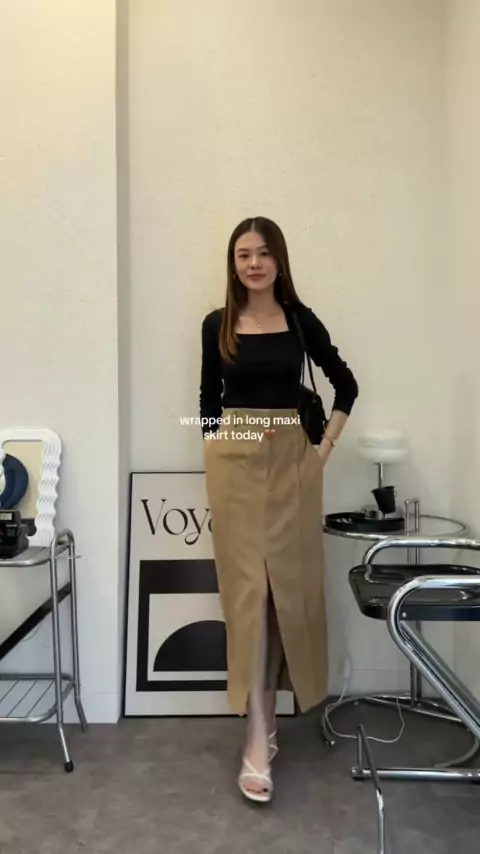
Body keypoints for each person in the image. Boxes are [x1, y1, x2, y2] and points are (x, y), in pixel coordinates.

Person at [199, 216, 358, 803]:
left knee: (280, 592)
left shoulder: (299, 320)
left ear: (279, 260)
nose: (253, 263)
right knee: (249, 595)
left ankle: (265, 721)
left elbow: (346, 384)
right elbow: (208, 400)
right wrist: (216, 446)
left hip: (292, 463)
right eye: (243, 254)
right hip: (235, 468)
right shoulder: (217, 324)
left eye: (263, 253)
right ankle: (257, 732)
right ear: (233, 263)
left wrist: (321, 453)